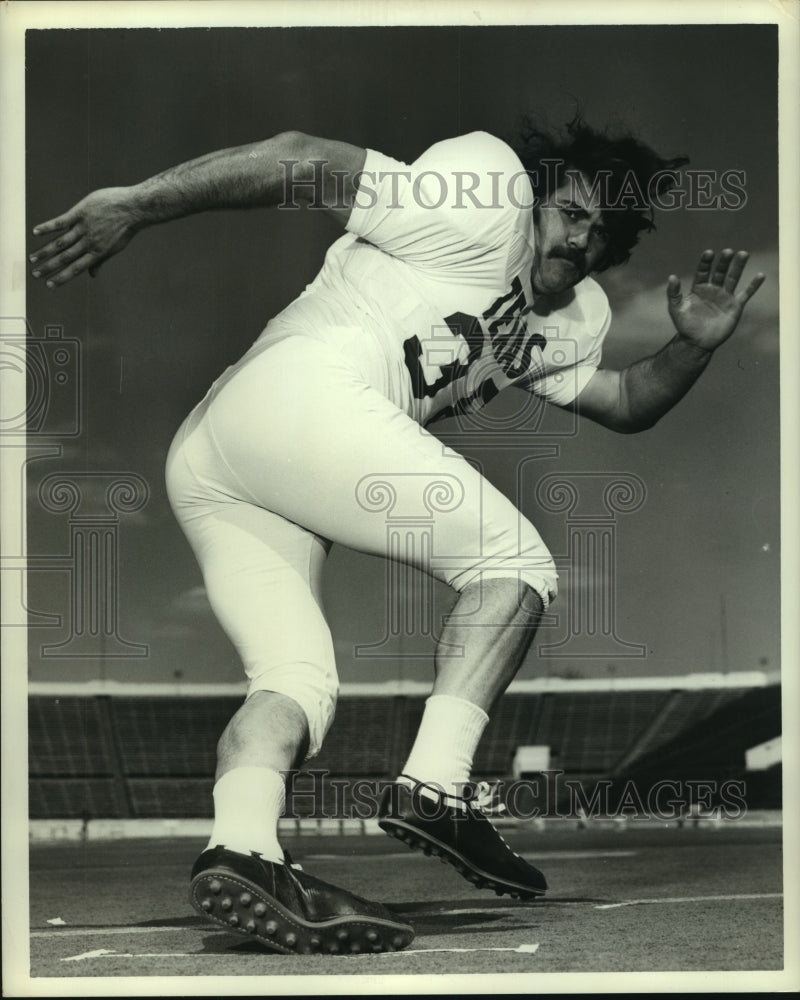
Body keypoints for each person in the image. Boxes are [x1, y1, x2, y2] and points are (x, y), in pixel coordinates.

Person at [29, 118, 765, 956]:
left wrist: (693, 348)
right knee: (515, 562)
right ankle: (436, 789)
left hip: (218, 456)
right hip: (296, 394)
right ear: (534, 197)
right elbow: (297, 159)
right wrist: (135, 204)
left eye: (602, 231)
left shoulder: (565, 313)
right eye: (570, 210)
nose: (581, 235)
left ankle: (242, 850)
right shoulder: (484, 196)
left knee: (297, 683)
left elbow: (624, 401)